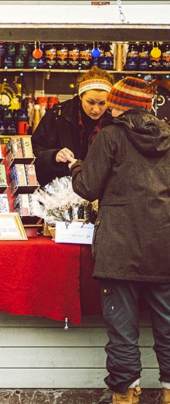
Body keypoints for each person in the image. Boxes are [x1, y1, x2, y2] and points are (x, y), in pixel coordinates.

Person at [70, 77, 170, 404]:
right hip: (163, 243)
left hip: (119, 246)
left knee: (123, 332)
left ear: (119, 104)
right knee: (169, 327)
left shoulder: (110, 136)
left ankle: (125, 395)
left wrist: (76, 167)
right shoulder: (168, 137)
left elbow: (87, 187)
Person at [32, 66, 114, 185]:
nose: (96, 109)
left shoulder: (114, 121)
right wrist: (54, 156)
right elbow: (35, 153)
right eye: (90, 102)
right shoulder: (57, 116)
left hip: (100, 192)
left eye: (102, 103)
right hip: (59, 192)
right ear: (80, 96)